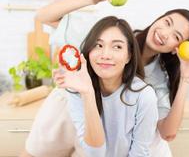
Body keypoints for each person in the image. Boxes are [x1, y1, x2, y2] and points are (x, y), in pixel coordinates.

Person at [36, 0, 189, 156]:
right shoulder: (110, 35)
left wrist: (185, 78)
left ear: (176, 49)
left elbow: (167, 133)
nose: (164, 33)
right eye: (167, 23)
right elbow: (43, 16)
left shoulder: (155, 81)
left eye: (175, 36)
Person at [22, 16, 158, 157]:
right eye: (98, 45)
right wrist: (88, 93)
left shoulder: (144, 96)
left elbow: (140, 153)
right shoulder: (77, 90)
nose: (105, 55)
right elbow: (95, 153)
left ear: (129, 55)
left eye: (117, 47)